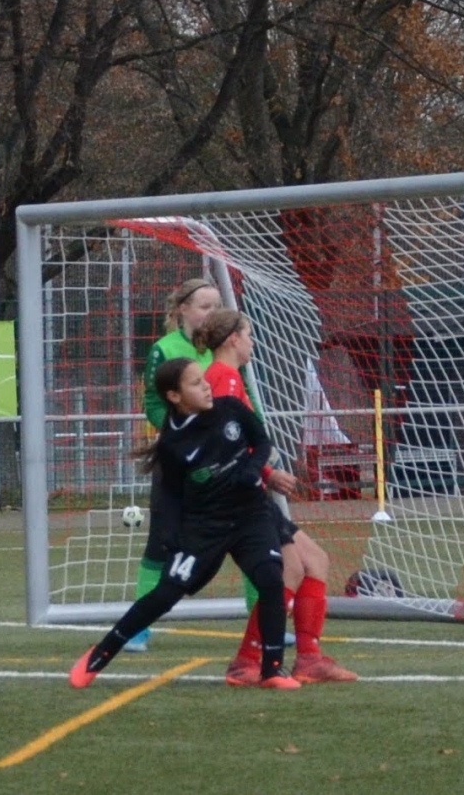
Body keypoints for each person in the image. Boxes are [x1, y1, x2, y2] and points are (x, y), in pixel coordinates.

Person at [70, 357, 299, 690]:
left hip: (250, 515)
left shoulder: (231, 409)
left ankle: (272, 670)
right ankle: (100, 654)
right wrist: (171, 536)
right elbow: (171, 496)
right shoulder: (173, 444)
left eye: (203, 379)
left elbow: (262, 442)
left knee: (270, 580)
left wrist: (252, 471)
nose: (206, 386)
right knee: (166, 594)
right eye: (195, 383)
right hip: (204, 528)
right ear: (174, 396)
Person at [195, 308, 356, 685]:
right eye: (249, 335)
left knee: (314, 561)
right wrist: (268, 473)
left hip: (246, 489)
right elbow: (225, 440)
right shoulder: (224, 378)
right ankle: (247, 661)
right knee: (291, 568)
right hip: (240, 494)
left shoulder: (225, 377)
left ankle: (309, 659)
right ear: (233, 339)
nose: (252, 343)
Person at [126, 277, 224, 651]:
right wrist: (178, 435)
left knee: (254, 540)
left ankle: (264, 625)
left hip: (225, 459)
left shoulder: (225, 346)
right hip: (180, 460)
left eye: (217, 306)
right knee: (161, 542)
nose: (212, 313)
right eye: (205, 306)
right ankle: (138, 627)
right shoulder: (164, 349)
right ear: (183, 309)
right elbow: (152, 403)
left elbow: (244, 395)